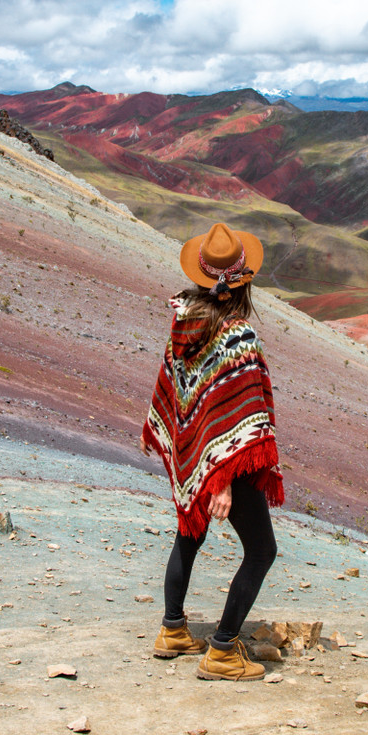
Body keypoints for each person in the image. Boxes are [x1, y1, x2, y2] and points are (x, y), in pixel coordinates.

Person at [141, 222, 285, 681]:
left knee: (190, 531)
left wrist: (196, 464)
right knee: (262, 551)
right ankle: (223, 650)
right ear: (243, 282)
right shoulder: (237, 335)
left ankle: (173, 631)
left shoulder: (185, 321)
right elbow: (240, 414)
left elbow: (182, 396)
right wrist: (221, 480)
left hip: (196, 455)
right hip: (230, 463)